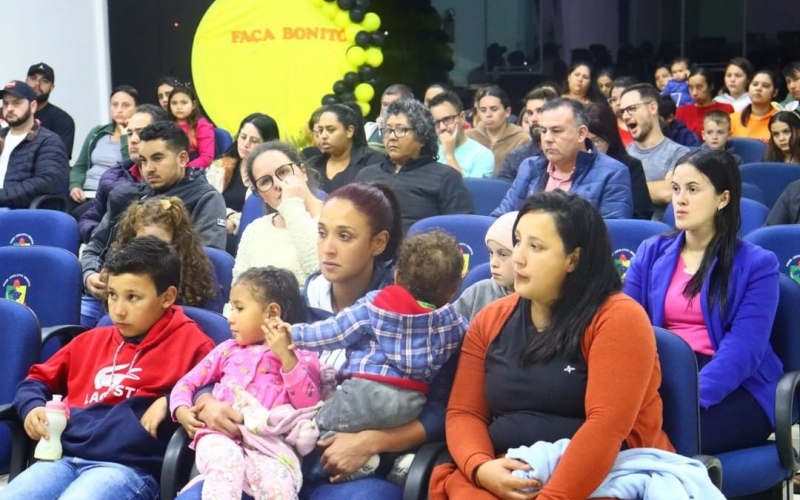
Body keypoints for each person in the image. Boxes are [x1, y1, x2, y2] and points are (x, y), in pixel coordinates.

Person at [176, 184, 454, 500]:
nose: (328, 248)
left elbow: (441, 412)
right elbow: (236, 361)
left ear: (378, 243)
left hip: (348, 469)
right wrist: (208, 400)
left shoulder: (415, 316)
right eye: (322, 233)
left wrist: (373, 441)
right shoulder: (293, 302)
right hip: (261, 453)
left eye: (344, 236)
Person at [430, 190, 673, 500]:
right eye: (518, 241)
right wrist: (480, 468)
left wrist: (551, 497)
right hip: (503, 474)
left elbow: (606, 429)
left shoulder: (619, 318)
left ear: (573, 259)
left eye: (535, 247)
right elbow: (465, 413)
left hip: (603, 474)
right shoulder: (490, 319)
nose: (517, 257)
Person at [0, 236, 215, 500]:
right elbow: (36, 381)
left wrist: (171, 400)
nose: (118, 311)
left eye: (133, 297)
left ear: (167, 297)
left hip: (128, 467)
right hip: (63, 457)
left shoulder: (194, 345)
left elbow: (208, 398)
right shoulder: (92, 339)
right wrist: (32, 407)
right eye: (112, 295)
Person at [275, 229, 468, 482]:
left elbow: (334, 332)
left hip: (363, 393)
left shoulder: (377, 304)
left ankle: (304, 471)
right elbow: (470, 340)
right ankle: (389, 461)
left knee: (314, 427)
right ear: (452, 292)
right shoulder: (454, 322)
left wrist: (295, 335)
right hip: (410, 404)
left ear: (397, 276)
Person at [625, 149, 782, 454]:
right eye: (676, 189)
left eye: (693, 190)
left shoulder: (758, 264)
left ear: (722, 199)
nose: (680, 200)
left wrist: (685, 396)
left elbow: (744, 350)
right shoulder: (650, 252)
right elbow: (627, 327)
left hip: (735, 384)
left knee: (663, 439)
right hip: (663, 372)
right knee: (612, 427)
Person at [171, 266, 321, 500]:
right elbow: (187, 383)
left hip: (270, 446)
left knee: (279, 488)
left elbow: (308, 404)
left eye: (239, 308)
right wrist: (180, 410)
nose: (230, 318)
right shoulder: (227, 350)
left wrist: (287, 359)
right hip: (220, 436)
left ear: (272, 313)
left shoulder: (301, 355)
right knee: (225, 467)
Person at [80, 121, 226, 327]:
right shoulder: (127, 196)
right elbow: (95, 247)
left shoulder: (206, 198)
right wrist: (90, 275)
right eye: (143, 161)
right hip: (103, 296)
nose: (149, 169)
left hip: (156, 304)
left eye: (157, 158)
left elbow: (201, 264)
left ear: (182, 158)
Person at [492, 98, 633, 219]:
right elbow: (500, 219)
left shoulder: (613, 173)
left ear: (581, 133)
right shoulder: (529, 167)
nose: (547, 139)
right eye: (543, 131)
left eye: (556, 131)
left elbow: (609, 236)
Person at [356, 99, 474, 234]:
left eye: (401, 129)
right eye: (388, 130)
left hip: (421, 251)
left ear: (422, 137)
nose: (391, 137)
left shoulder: (445, 177)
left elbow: (462, 230)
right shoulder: (366, 174)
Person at [233, 140, 322, 294]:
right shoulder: (254, 231)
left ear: (303, 172)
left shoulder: (335, 217)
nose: (278, 184)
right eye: (265, 181)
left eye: (283, 172)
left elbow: (319, 273)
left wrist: (293, 207)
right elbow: (237, 294)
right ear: (260, 194)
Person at [79, 104, 170, 243]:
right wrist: (103, 239)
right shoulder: (111, 176)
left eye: (140, 132)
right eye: (129, 133)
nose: (133, 139)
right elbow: (90, 219)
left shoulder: (172, 180)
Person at [112, 196, 219, 310]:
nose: (150, 251)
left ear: (176, 242)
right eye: (143, 242)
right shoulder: (121, 270)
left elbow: (210, 319)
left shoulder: (197, 276)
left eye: (160, 243)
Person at [207, 113, 280, 254]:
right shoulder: (220, 167)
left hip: (251, 239)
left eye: (254, 140)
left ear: (267, 145)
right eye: (243, 137)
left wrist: (235, 223)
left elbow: (264, 216)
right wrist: (228, 216)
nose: (246, 144)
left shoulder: (272, 178)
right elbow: (207, 203)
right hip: (217, 229)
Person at [68, 85, 140, 221]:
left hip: (109, 196)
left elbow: (129, 167)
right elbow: (80, 165)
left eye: (126, 105)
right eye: (114, 104)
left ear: (136, 108)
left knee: (75, 218)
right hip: (83, 194)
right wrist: (75, 186)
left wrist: (126, 136)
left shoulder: (137, 136)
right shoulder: (98, 132)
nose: (119, 110)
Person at [621, 83, 691, 220]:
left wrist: (626, 186)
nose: (625, 116)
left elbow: (668, 191)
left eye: (631, 109)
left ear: (652, 108)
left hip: (662, 235)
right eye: (622, 111)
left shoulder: (680, 153)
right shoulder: (622, 155)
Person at [0, 80, 69, 208]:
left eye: (16, 103)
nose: (9, 108)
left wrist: (3, 196)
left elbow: (48, 181)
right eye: (5, 103)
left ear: (33, 106)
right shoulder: (1, 136)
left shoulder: (48, 141)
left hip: (20, 213)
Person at [586, 102, 651, 219]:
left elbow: (641, 214)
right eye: (586, 141)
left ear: (610, 139)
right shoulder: (569, 165)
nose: (592, 148)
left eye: (597, 140)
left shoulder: (630, 166)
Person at [453, 211, 516, 320]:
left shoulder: (537, 301)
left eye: (503, 254)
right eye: (491, 253)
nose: (494, 263)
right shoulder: (476, 293)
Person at [307, 104, 383, 193]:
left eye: (330, 130)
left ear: (349, 131)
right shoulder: (313, 164)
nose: (323, 136)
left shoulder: (373, 161)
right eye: (320, 131)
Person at [466, 85, 532, 176]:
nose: (488, 114)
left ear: (507, 112)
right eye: (483, 110)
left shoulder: (522, 139)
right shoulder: (468, 137)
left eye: (494, 109)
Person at [496, 87, 558, 183]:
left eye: (540, 111)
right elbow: (501, 190)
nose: (533, 118)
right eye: (530, 113)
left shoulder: (568, 153)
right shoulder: (516, 156)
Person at [428, 91, 494, 178]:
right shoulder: (428, 151)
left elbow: (469, 191)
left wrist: (449, 155)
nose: (442, 127)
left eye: (447, 119)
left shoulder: (482, 155)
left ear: (462, 117)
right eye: (436, 122)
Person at [26, 62, 75, 159]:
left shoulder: (63, 120)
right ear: (25, 81)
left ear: (52, 87)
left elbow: (58, 159)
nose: (37, 84)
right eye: (33, 78)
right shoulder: (11, 114)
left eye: (44, 80)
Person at [676, 67, 734, 139]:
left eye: (699, 87)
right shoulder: (682, 111)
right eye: (690, 88)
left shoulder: (726, 109)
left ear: (710, 87)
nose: (694, 93)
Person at [169, 85, 215, 168]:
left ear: (193, 105)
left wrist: (183, 170)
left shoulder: (202, 125)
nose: (179, 107)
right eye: (174, 103)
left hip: (193, 172)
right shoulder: (166, 125)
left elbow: (206, 157)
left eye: (184, 102)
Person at [730, 69, 780, 142]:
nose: (758, 88)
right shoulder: (732, 119)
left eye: (765, 86)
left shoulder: (780, 119)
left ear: (775, 92)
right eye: (755, 84)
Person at [365, 84, 414, 154]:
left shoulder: (411, 132)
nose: (388, 108)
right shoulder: (368, 128)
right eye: (385, 104)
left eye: (393, 104)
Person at [608, 76, 638, 146]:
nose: (618, 103)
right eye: (614, 100)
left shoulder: (647, 124)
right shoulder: (607, 127)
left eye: (622, 98)